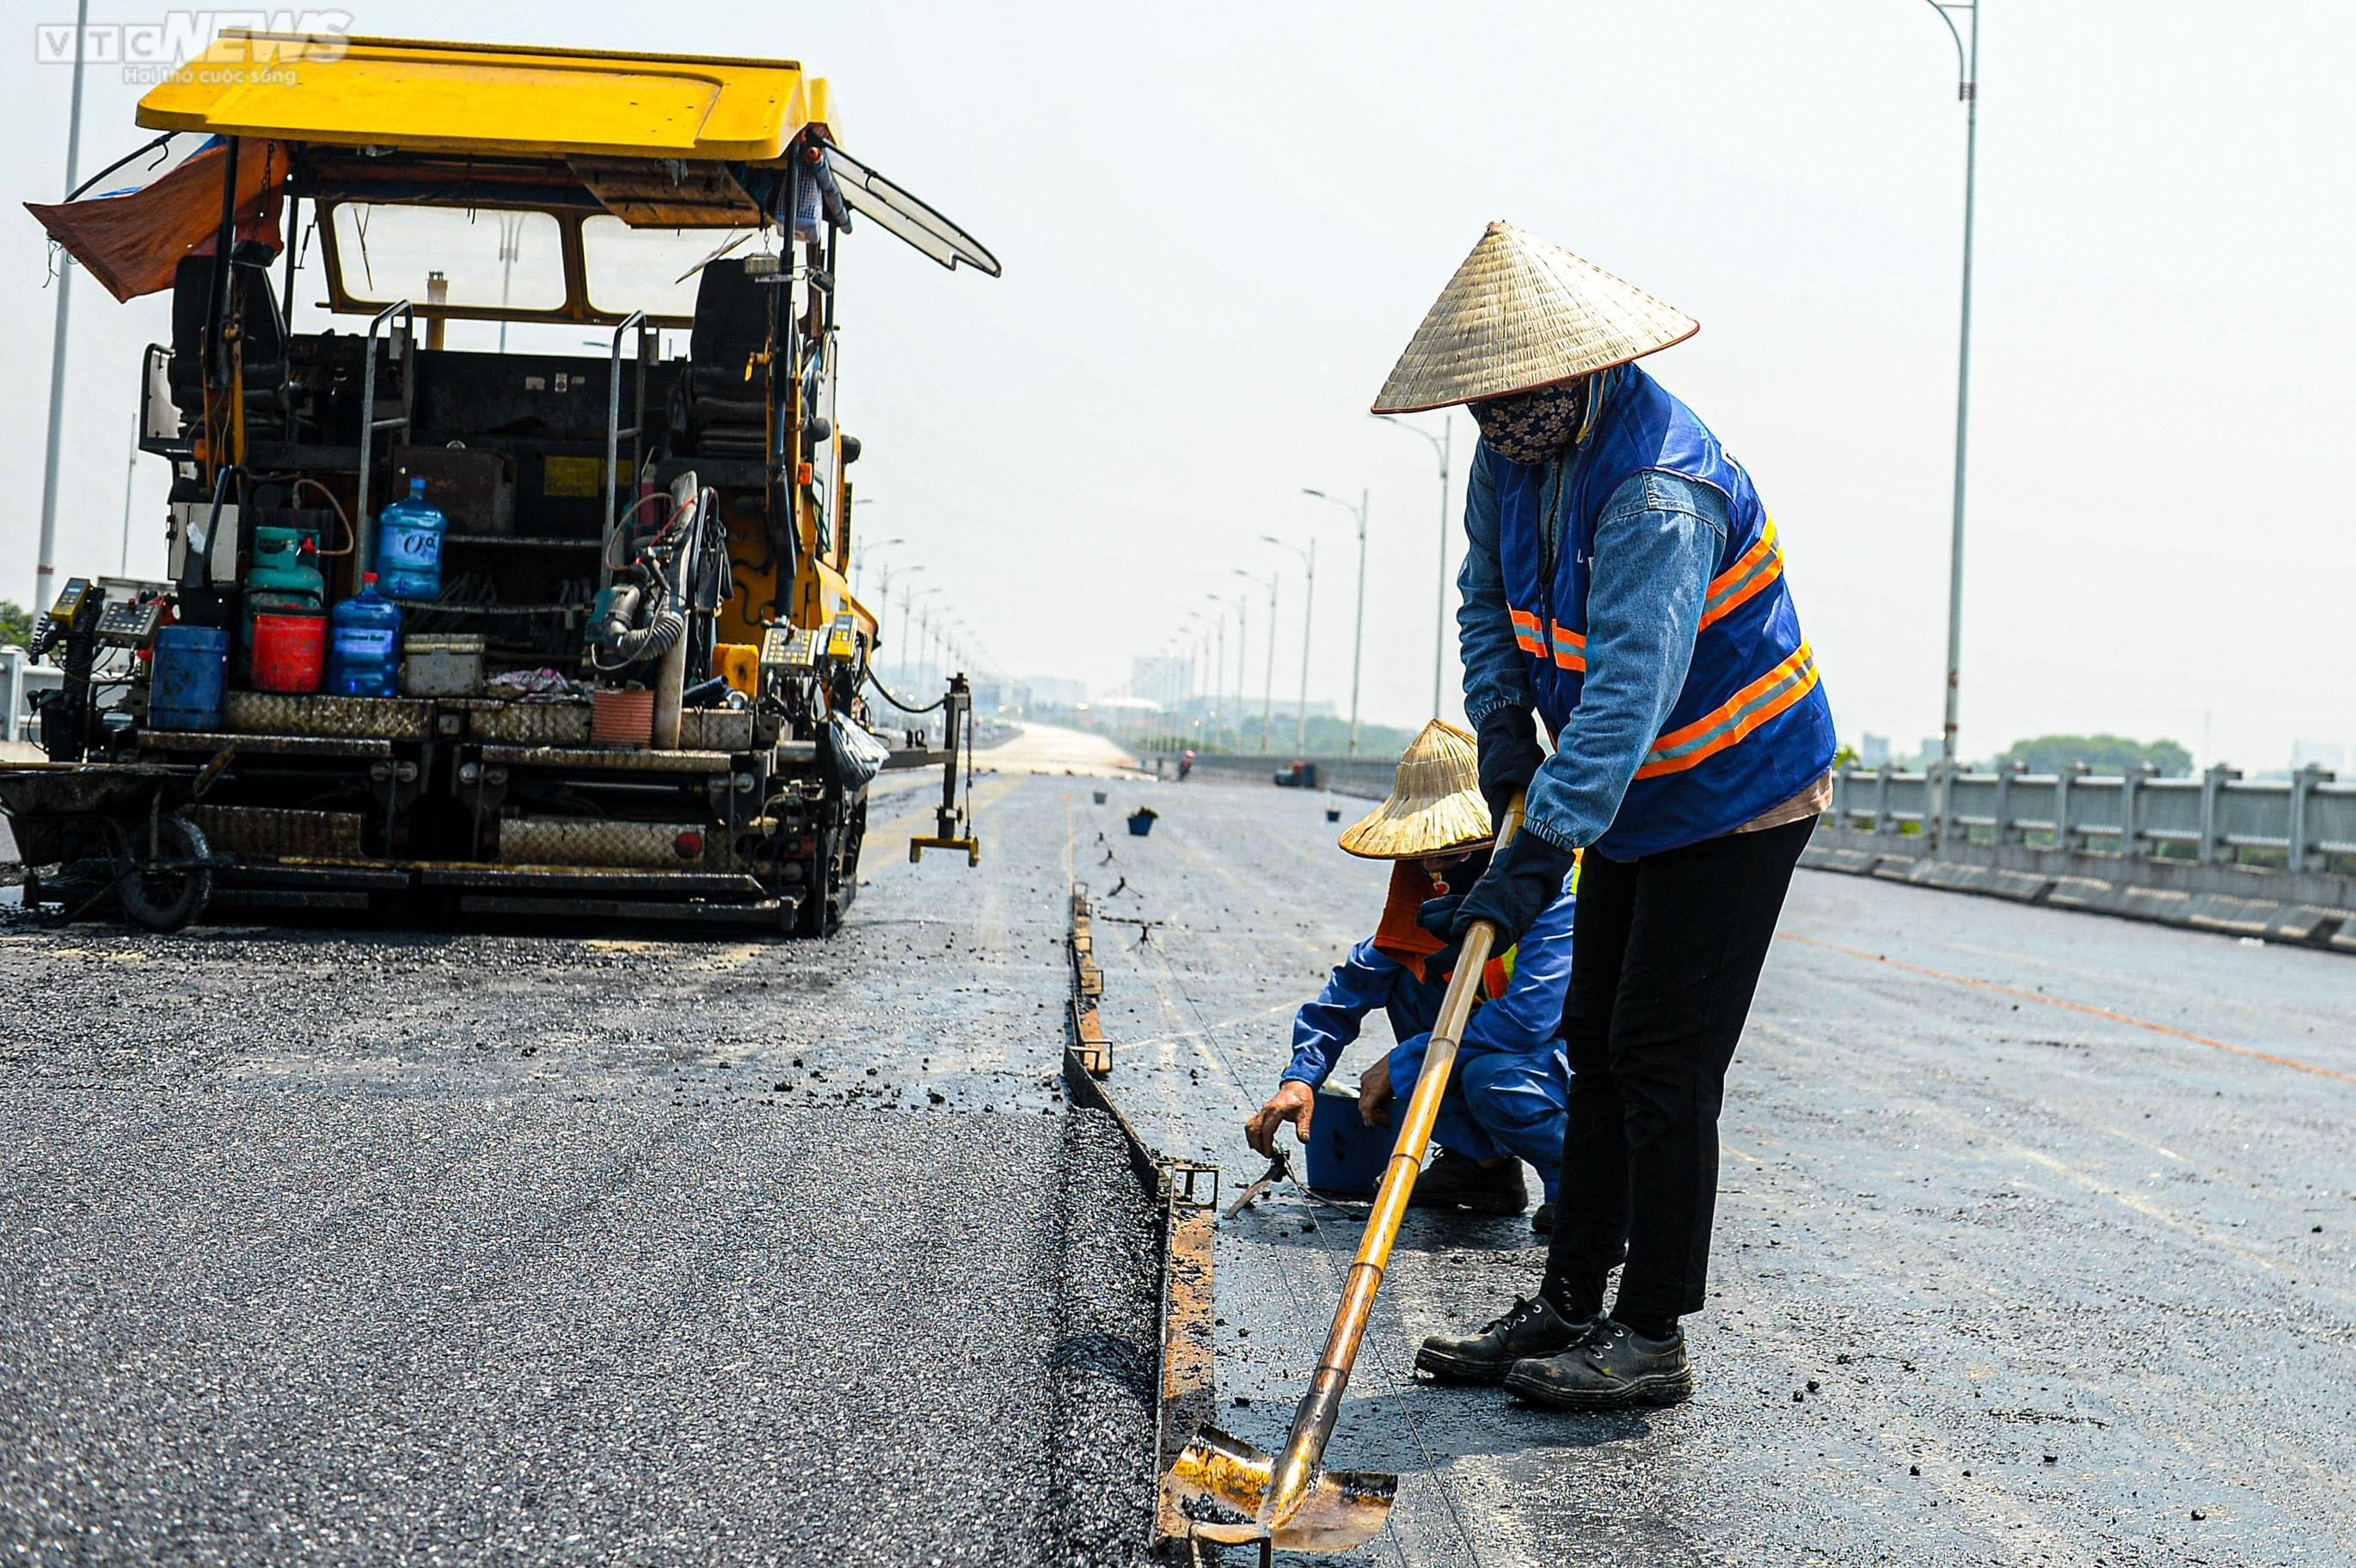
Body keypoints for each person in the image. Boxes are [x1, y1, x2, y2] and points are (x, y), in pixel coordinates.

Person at [1370, 223, 1837, 1410]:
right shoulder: (1512, 456)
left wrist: (1533, 860)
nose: (1494, 422)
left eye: (1512, 399)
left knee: (1661, 1062)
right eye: (1480, 404)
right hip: (1624, 796)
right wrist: (1503, 748)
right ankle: (1568, 1300)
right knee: (1592, 1031)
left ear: (1574, 372)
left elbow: (1628, 698)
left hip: (1734, 796)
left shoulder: (1657, 493)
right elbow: (1486, 602)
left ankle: (1651, 1334)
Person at [1243, 720, 1575, 1229]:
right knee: (1403, 980)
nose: (1438, 874)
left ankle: (1573, 1186)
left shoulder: (1554, 893)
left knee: (1493, 1079)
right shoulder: (1425, 896)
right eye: (1425, 860)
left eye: (1455, 856)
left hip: (1566, 1061)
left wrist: (1406, 1061)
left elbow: (1526, 1023)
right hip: (1490, 1048)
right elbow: (1349, 988)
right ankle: (1480, 1168)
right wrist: (1301, 1078)